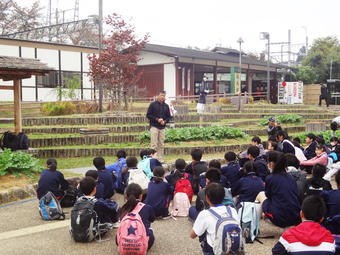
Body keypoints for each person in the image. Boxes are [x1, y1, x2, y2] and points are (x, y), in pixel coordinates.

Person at [190, 182, 240, 255]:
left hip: (214, 251)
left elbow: (193, 235)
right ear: (223, 197)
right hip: (233, 248)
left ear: (207, 198)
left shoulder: (205, 214)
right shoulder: (232, 210)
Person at [256, 151, 301, 228]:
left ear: (271, 164)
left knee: (260, 194)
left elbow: (268, 196)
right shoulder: (291, 177)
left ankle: (255, 226)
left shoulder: (270, 178)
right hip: (295, 217)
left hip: (279, 219)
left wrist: (265, 211)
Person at [117, 183, 155, 251]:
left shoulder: (123, 208)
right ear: (141, 196)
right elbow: (152, 219)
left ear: (126, 196)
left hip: (124, 244)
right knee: (150, 231)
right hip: (141, 244)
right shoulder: (147, 207)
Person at [146, 90, 171, 163]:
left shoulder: (166, 106)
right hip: (154, 126)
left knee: (161, 144)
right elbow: (148, 115)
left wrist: (165, 121)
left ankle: (160, 159)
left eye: (164, 95)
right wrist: (157, 119)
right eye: (161, 95)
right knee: (154, 144)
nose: (163, 97)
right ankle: (153, 160)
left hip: (162, 128)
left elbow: (169, 117)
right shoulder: (153, 105)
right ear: (158, 96)